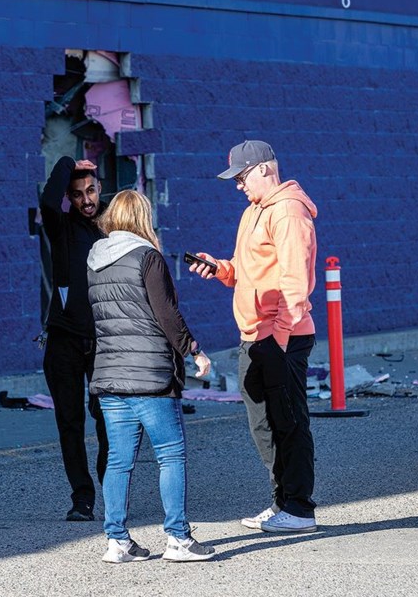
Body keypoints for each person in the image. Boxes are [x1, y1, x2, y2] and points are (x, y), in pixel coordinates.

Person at [188, 140, 319, 534]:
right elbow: (250, 270)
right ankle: (281, 502)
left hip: (282, 337)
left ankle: (299, 508)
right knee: (263, 424)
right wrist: (222, 269)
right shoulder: (254, 212)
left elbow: (295, 284)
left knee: (289, 423)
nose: (238, 185)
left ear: (264, 169)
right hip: (255, 335)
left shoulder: (289, 212)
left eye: (242, 177)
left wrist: (278, 338)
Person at [87, 189, 217, 563]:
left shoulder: (95, 260)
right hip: (150, 376)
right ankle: (178, 539)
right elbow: (166, 315)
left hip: (109, 375)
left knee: (118, 460)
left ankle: (117, 541)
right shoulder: (148, 257)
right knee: (170, 455)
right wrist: (194, 349)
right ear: (141, 217)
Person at [39, 155, 110, 522]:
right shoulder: (61, 226)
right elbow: (47, 200)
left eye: (91, 190)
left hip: (103, 342)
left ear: (100, 189)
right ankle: (82, 499)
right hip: (64, 340)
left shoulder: (112, 226)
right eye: (78, 194)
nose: (86, 199)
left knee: (108, 421)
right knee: (70, 423)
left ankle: (110, 494)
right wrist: (67, 162)